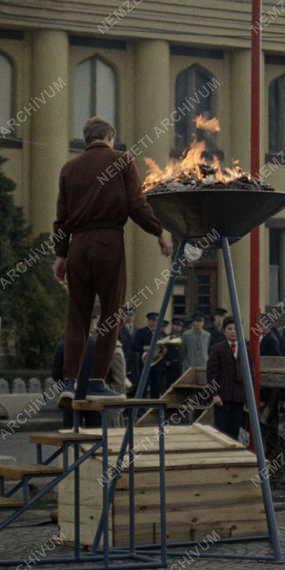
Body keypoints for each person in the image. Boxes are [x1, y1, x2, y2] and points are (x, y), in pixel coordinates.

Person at [52, 117, 172, 409]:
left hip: (78, 246)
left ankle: (68, 382)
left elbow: (61, 217)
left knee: (77, 316)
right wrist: (159, 230)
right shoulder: (122, 160)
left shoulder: (68, 168)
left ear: (85, 138)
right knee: (111, 313)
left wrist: (61, 255)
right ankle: (96, 381)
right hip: (108, 243)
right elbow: (136, 204)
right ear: (110, 136)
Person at [206, 318, 246, 440]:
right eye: (229, 329)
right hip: (222, 397)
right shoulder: (217, 349)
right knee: (222, 430)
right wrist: (215, 394)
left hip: (239, 397)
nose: (233, 332)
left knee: (235, 429)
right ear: (224, 331)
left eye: (236, 329)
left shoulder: (245, 348)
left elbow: (250, 372)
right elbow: (211, 373)